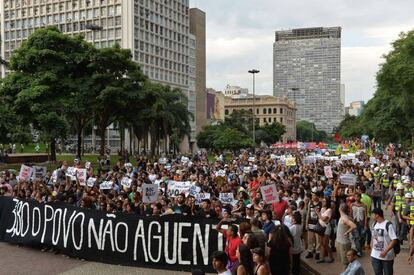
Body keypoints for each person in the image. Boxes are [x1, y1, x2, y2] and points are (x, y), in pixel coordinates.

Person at [371, 208, 398, 275]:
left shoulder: (388, 225)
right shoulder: (374, 224)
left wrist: (385, 251)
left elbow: (394, 240)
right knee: (377, 273)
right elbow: (374, 238)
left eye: (373, 214)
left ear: (377, 215)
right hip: (375, 255)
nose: (371, 216)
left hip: (387, 256)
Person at [337, 203, 357, 267]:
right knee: (344, 261)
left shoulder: (344, 218)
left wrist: (347, 232)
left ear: (340, 209)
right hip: (341, 241)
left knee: (346, 262)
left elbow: (354, 226)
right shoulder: (345, 217)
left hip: (344, 243)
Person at [316, 196, 334, 263]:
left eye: (324, 201)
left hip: (326, 228)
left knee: (325, 243)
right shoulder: (322, 209)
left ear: (327, 202)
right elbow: (321, 217)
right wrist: (319, 214)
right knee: (322, 243)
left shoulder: (329, 210)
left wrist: (318, 213)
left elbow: (324, 219)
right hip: (321, 227)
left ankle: (331, 257)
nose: (323, 202)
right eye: (322, 201)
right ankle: (321, 258)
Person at [289, 211, 303, 275]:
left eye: (292, 218)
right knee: (297, 262)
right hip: (299, 247)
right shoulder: (300, 226)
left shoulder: (293, 227)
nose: (291, 219)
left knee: (293, 263)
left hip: (293, 248)